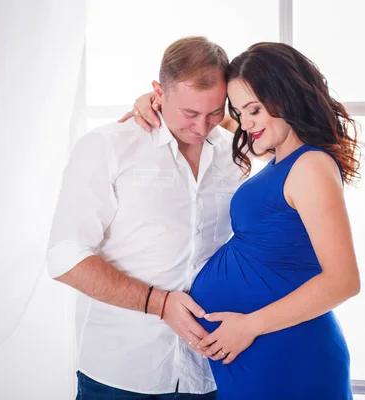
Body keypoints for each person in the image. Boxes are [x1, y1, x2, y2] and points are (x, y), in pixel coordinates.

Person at [127, 42, 361, 399]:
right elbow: (204, 114)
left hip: (288, 353)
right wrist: (158, 99)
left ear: (286, 97)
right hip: (256, 354)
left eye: (253, 110)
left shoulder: (310, 166)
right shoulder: (281, 157)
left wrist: (249, 326)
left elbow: (344, 281)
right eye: (238, 111)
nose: (245, 123)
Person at [46, 36, 247, 399]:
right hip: (121, 375)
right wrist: (158, 302)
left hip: (212, 373)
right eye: (189, 113)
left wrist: (230, 122)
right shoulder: (108, 146)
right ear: (159, 91)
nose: (202, 128)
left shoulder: (236, 154)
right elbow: (64, 256)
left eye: (214, 112)